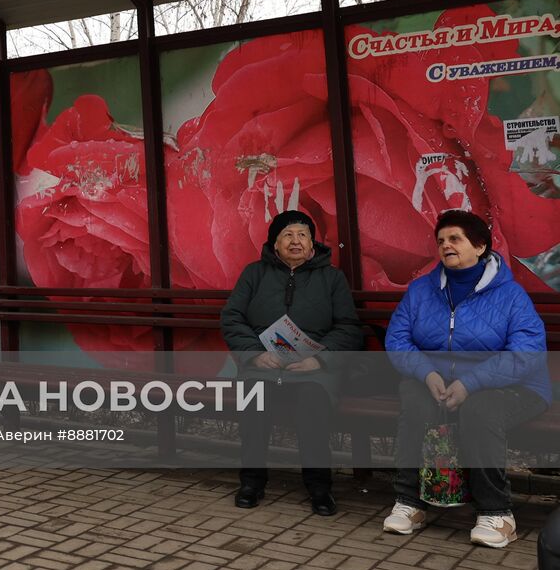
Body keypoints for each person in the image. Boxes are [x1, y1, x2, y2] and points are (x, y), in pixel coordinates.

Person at [381, 208, 550, 549]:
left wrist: (471, 383)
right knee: (414, 401)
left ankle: (497, 513)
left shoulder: (510, 295)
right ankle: (410, 502)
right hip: (437, 383)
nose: (446, 245)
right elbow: (397, 339)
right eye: (441, 240)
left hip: (512, 386)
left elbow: (527, 351)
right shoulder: (420, 291)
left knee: (480, 409)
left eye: (455, 238)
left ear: (481, 247)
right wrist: (425, 373)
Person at [220, 209, 362, 516]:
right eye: (287, 235)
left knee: (313, 401)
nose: (295, 241)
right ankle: (252, 481)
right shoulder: (254, 274)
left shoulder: (332, 278)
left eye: (303, 235)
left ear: (312, 244)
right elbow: (232, 318)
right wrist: (255, 354)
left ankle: (319, 486)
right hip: (264, 363)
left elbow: (348, 329)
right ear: (274, 244)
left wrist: (320, 362)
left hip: (312, 368)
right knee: (253, 399)